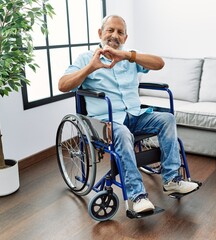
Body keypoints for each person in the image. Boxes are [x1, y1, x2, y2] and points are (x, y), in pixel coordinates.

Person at [58, 15, 199, 213]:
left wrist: (128, 56)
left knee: (167, 118)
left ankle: (172, 180)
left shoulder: (130, 57)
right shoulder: (85, 58)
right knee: (123, 134)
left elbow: (159, 63)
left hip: (135, 115)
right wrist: (91, 67)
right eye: (110, 30)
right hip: (106, 121)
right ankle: (137, 195)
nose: (115, 35)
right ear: (100, 33)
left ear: (125, 37)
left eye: (120, 32)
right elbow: (63, 85)